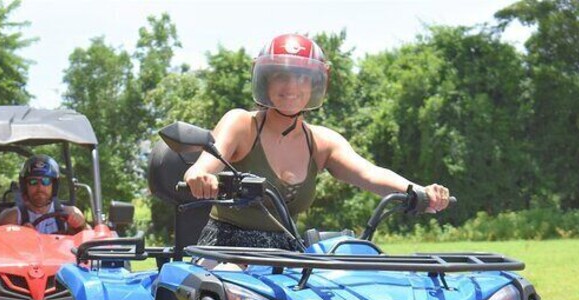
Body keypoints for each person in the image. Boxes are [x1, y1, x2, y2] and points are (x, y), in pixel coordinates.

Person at [184, 33, 451, 250]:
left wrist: (418, 191)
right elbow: (204, 164)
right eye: (281, 75)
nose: (292, 86)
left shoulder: (322, 142)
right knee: (224, 296)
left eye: (302, 77)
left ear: (315, 84)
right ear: (265, 80)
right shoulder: (241, 124)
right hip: (226, 249)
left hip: (287, 255)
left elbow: (369, 174)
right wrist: (200, 176)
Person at [0, 155, 87, 234]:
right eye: (33, 182)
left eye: (46, 181)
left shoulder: (70, 213)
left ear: (54, 185)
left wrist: (79, 227)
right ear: (25, 186)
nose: (40, 187)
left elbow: (88, 241)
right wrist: (19, 237)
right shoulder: (12, 218)